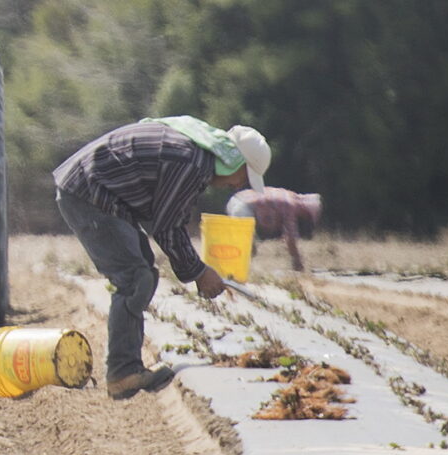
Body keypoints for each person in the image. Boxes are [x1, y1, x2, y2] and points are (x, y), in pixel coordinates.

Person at [53, 116, 271, 400]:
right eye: (244, 175)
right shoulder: (190, 162)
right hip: (89, 193)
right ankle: (122, 372)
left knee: (144, 272)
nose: (238, 184)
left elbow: (168, 217)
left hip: (97, 192)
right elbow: (167, 227)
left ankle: (127, 367)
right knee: (134, 277)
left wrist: (195, 268)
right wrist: (199, 272)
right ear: (233, 161)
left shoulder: (194, 148)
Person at [226, 187, 322, 271]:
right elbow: (290, 238)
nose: (304, 218)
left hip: (237, 200)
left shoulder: (289, 196)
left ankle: (241, 271)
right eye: (307, 216)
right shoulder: (290, 205)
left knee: (248, 247)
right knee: (246, 247)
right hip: (242, 207)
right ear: (305, 209)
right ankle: (235, 271)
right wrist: (297, 261)